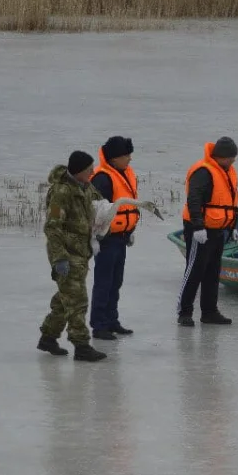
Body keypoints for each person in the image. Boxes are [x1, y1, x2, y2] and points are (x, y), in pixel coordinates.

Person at [37, 150, 108, 362]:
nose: (93, 172)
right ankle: (82, 346)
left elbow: (100, 203)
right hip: (67, 255)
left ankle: (48, 337)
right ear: (77, 171)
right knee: (77, 301)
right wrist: (59, 258)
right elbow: (52, 227)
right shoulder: (61, 192)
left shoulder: (86, 187)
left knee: (64, 299)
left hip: (82, 252)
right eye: (89, 169)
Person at [176, 137, 238, 327]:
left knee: (213, 271)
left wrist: (232, 226)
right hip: (200, 229)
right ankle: (185, 312)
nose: (233, 161)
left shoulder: (227, 171)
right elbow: (194, 199)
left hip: (218, 229)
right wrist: (198, 226)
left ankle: (210, 311)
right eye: (231, 157)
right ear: (220, 156)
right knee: (195, 270)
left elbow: (229, 202)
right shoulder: (203, 172)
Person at [89, 135, 139, 341]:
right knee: (104, 282)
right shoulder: (102, 178)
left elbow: (128, 204)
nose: (129, 159)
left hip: (122, 237)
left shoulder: (126, 173)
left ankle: (111, 320)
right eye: (126, 155)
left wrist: (130, 229)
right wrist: (96, 238)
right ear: (114, 158)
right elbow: (96, 211)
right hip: (107, 239)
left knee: (116, 282)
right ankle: (99, 326)